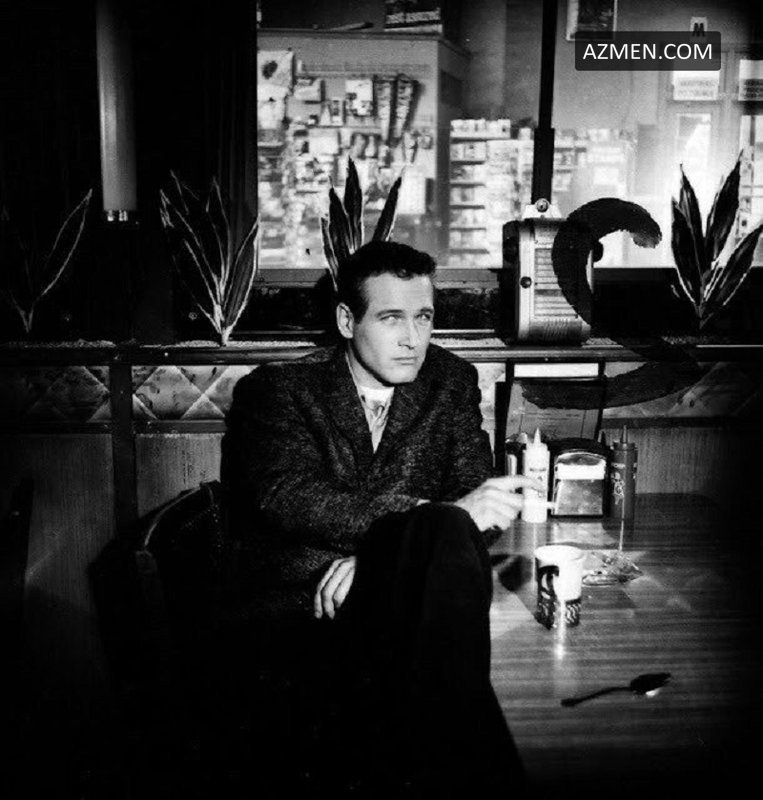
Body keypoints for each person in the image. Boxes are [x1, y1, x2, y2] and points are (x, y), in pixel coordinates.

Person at [223, 240, 537, 798]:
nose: (413, 338)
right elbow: (287, 496)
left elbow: (477, 496)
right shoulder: (279, 389)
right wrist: (414, 529)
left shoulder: (450, 380)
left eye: (424, 317)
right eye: (391, 318)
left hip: (407, 605)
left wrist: (382, 557)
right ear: (348, 320)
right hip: (306, 615)